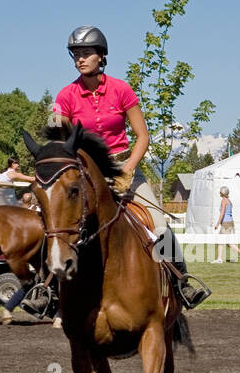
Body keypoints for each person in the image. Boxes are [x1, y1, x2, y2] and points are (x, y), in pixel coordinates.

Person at [51, 25, 208, 308]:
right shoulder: (66, 96)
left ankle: (182, 281)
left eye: (86, 53)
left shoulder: (122, 90)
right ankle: (46, 291)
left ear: (102, 56)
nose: (80, 59)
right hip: (87, 171)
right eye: (76, 54)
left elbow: (143, 136)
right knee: (54, 222)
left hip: (125, 166)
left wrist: (129, 169)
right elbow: (57, 133)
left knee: (159, 225)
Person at [211, 186, 240, 264]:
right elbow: (230, 214)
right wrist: (233, 227)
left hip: (226, 223)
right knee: (226, 241)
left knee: (222, 241)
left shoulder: (223, 200)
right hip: (230, 223)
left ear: (222, 193)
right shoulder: (229, 201)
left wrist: (217, 224)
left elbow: (222, 213)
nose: (219, 193)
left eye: (220, 192)